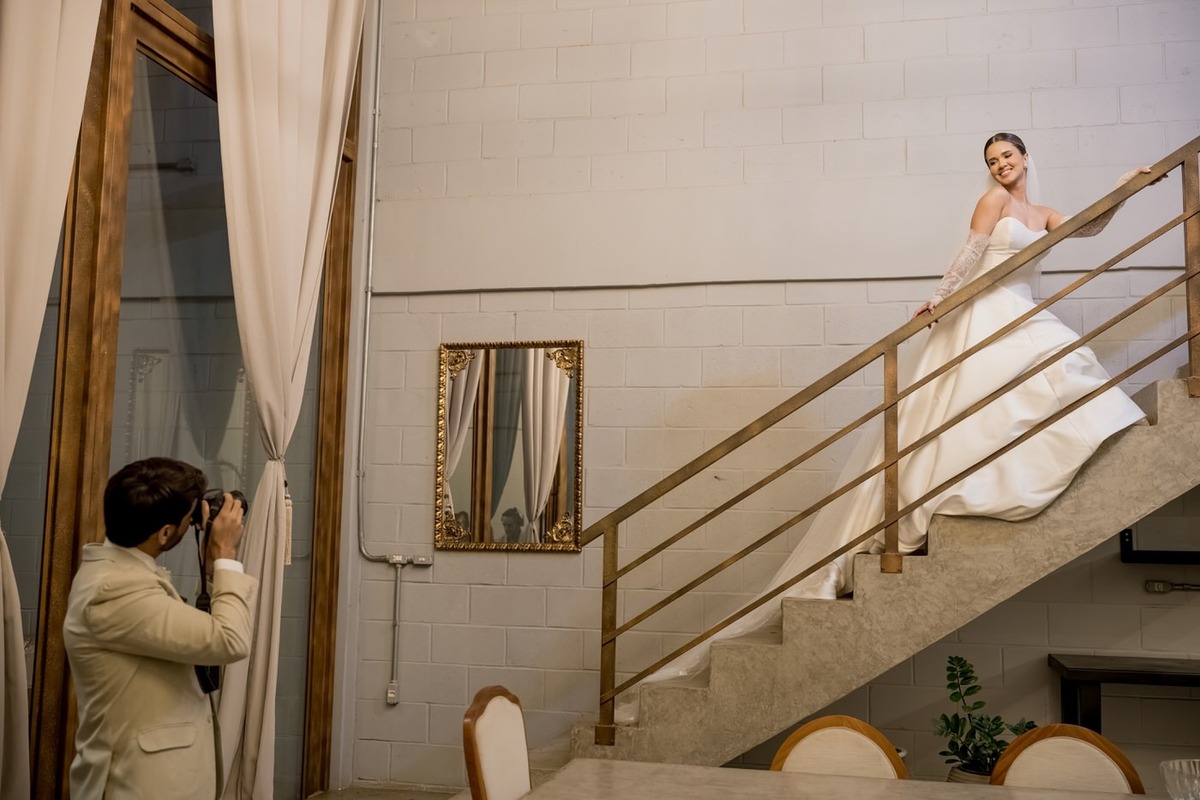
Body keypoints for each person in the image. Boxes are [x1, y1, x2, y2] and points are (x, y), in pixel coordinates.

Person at [642, 132, 1159, 684]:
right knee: (965, 408)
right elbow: (972, 251)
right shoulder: (993, 201)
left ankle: (995, 480)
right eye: (992, 160)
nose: (1000, 165)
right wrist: (941, 296)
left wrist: (1125, 189)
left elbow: (1088, 227)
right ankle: (933, 500)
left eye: (1008, 156)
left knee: (1047, 378)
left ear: (1026, 157)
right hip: (985, 312)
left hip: (1023, 311)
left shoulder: (1044, 212)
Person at [63, 457, 258, 799]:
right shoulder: (115, 590)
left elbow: (195, 637)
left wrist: (212, 569)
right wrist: (226, 553)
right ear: (165, 532)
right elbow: (229, 640)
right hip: (138, 784)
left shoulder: (122, 573)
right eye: (189, 516)